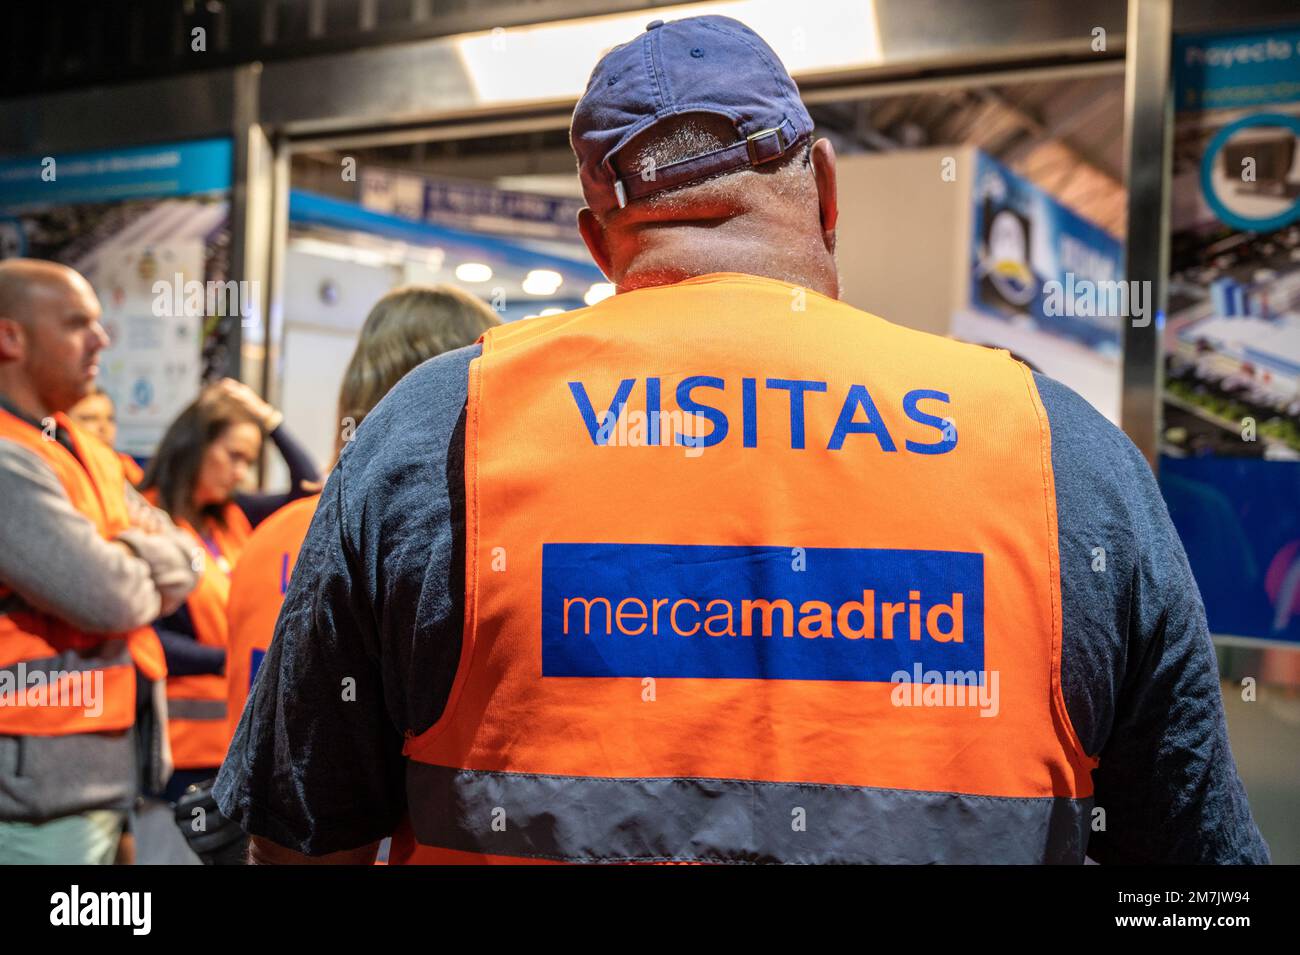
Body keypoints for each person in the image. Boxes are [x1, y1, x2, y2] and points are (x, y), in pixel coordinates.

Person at [216, 16, 1270, 864]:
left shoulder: (436, 431)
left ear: (597, 237)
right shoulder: (1055, 452)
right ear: (823, 186)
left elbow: (301, 836)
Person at [0, 258, 199, 864]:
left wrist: (121, 549)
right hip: (32, 790)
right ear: (10, 337)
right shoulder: (9, 461)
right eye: (77, 323)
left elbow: (186, 554)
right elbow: (107, 595)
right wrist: (132, 556)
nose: (102, 339)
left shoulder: (81, 447)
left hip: (100, 779)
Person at [140, 378, 318, 800]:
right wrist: (231, 658)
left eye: (249, 462)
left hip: (237, 740)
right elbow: (149, 638)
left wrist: (269, 420)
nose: (240, 472)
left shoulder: (233, 516)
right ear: (196, 445)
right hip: (180, 749)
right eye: (233, 456)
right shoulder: (145, 518)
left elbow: (310, 489)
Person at [69, 386, 143, 485]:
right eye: (90, 418)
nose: (104, 427)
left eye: (110, 418)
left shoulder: (127, 471)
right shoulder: (55, 471)